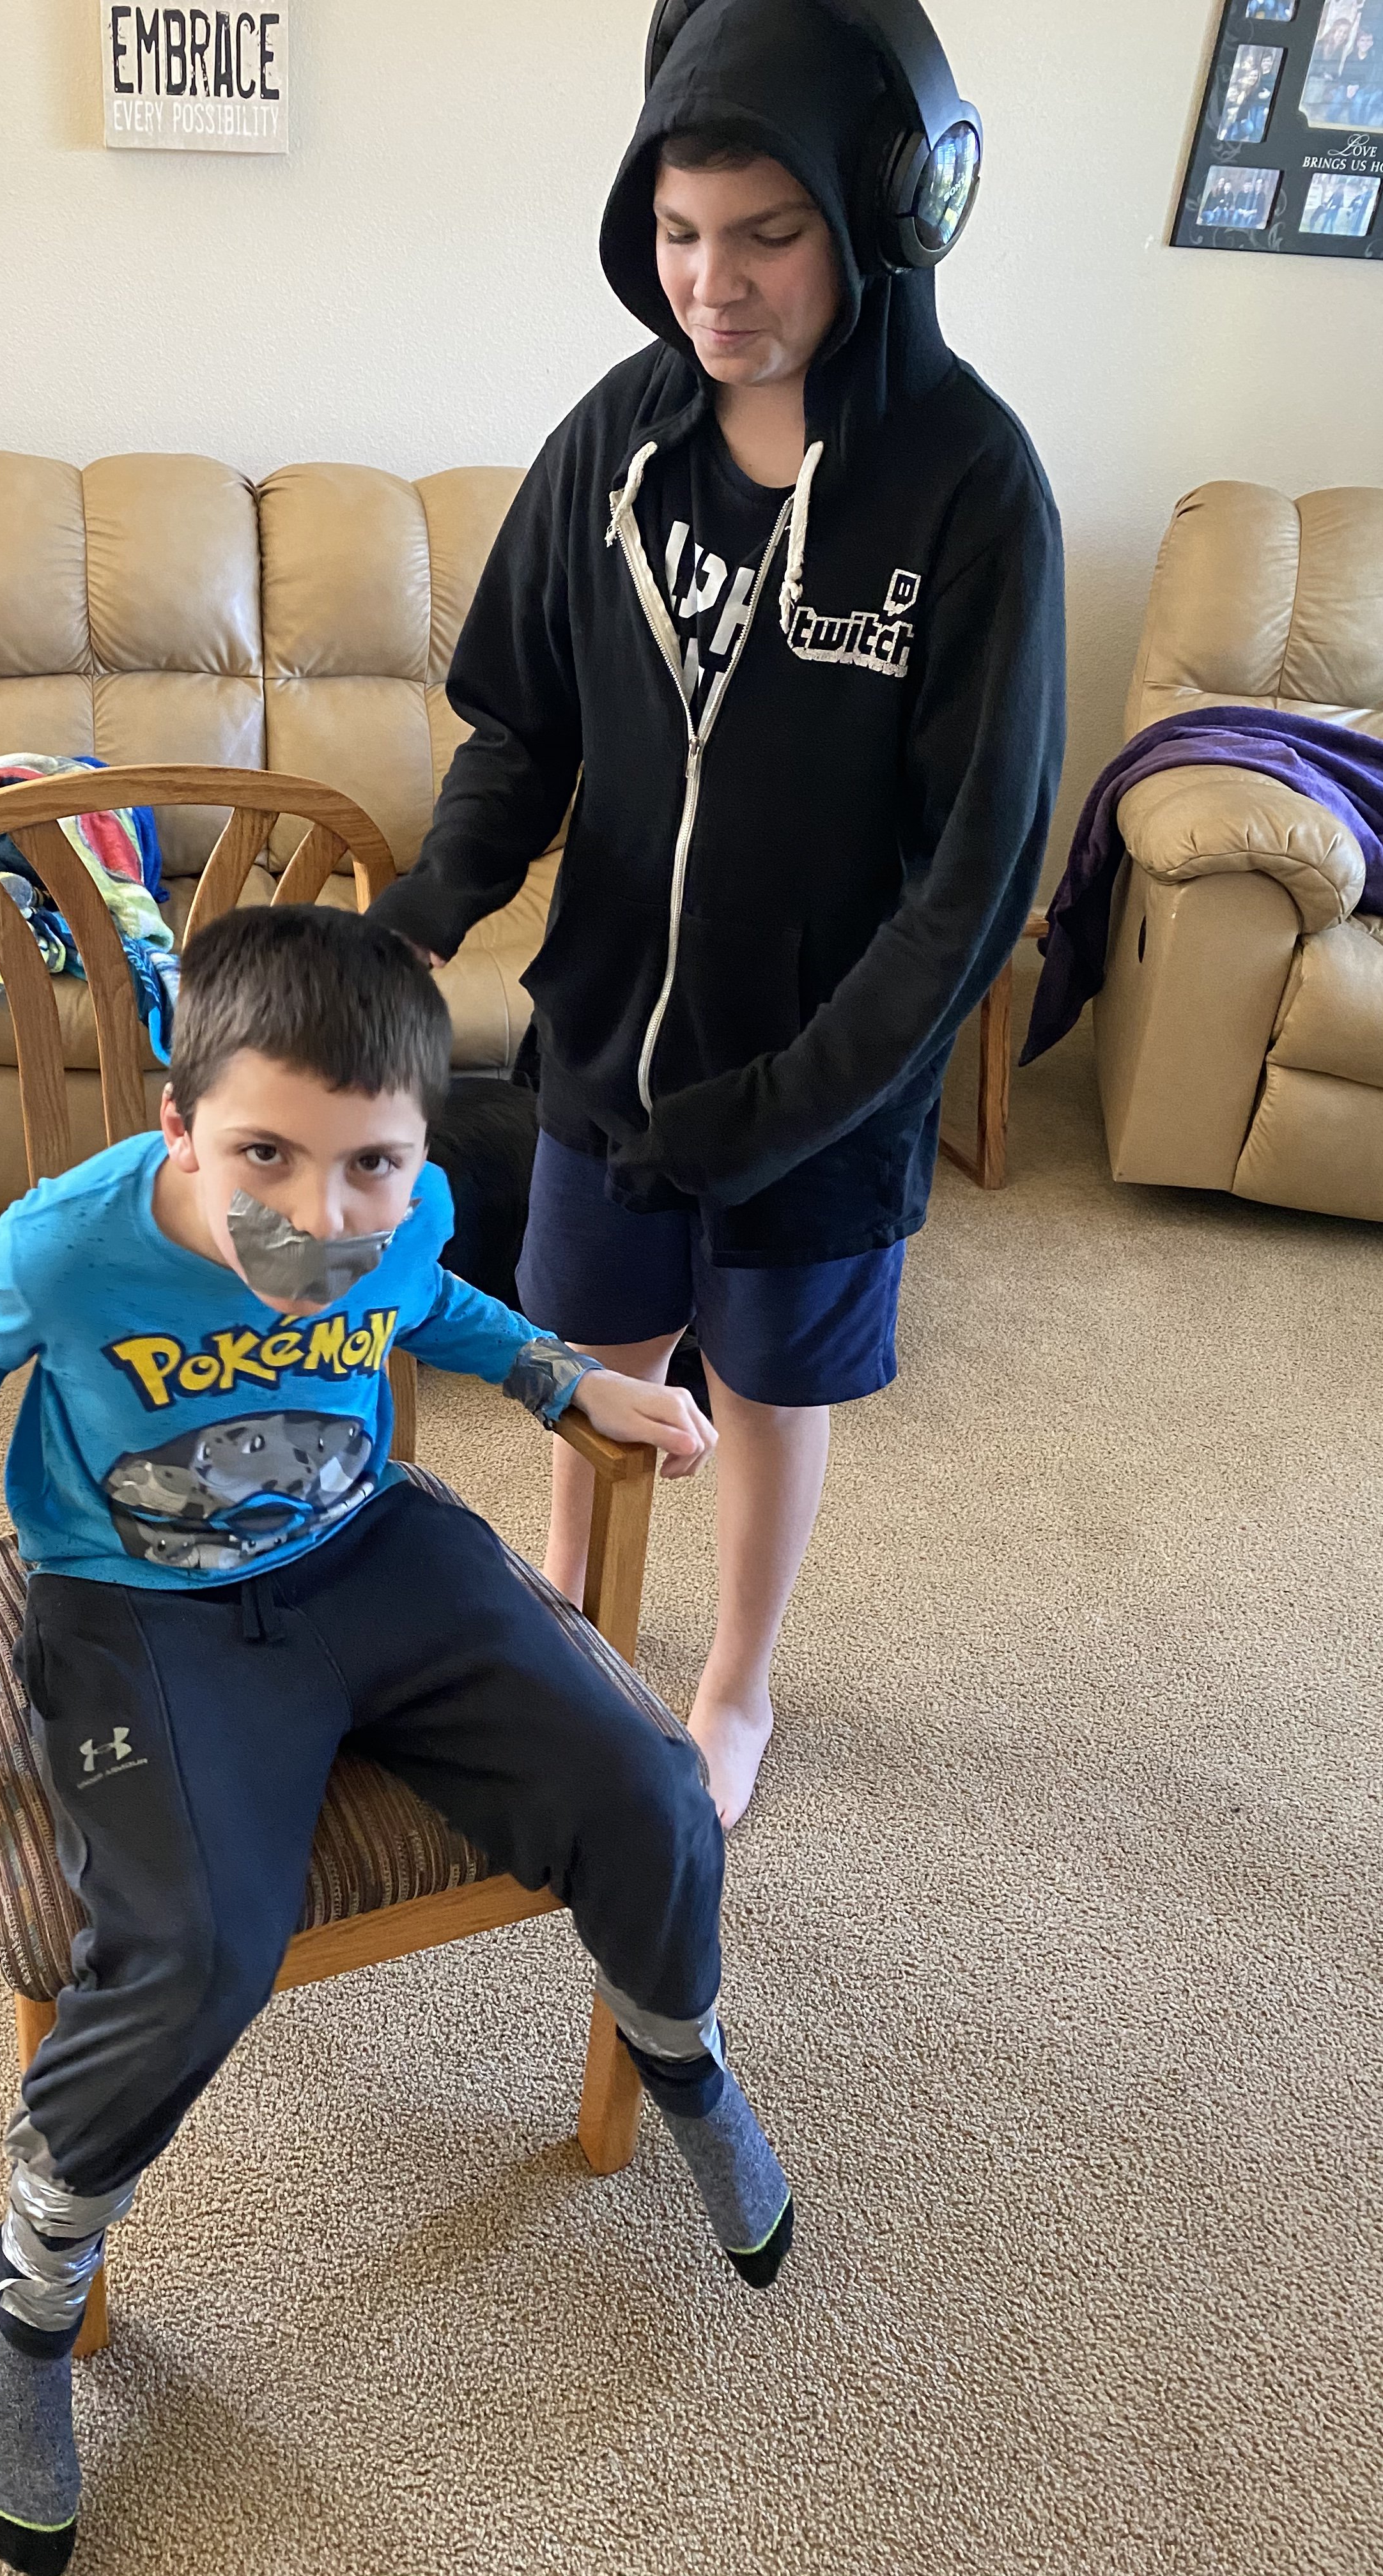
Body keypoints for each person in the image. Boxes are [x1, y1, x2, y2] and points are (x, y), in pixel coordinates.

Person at [0, 907, 798, 2576]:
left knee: (654, 1790)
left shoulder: (404, 1209)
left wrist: (562, 1378)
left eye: (373, 1165)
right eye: (265, 1158)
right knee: (194, 1946)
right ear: (179, 1128)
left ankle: (684, 2058)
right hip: (138, 1605)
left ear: (418, 1146)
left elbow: (432, 1306)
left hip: (366, 1548)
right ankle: (34, 2286)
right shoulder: (75, 1240)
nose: (324, 1216)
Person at [369, 0, 1067, 1825]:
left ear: (887, 218)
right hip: (611, 1043)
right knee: (590, 1357)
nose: (714, 283)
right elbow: (522, 725)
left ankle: (735, 1683)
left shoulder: (971, 487)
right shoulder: (618, 439)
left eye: (767, 234)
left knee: (767, 1387)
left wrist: (785, 1108)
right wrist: (429, 908)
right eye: (681, 232)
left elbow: (972, 880)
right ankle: (564, 1621)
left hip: (828, 1084)